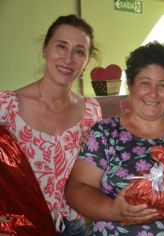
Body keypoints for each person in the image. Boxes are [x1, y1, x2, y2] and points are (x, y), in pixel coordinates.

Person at [64, 41, 164, 236]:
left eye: (162, 85)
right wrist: (112, 210)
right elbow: (76, 189)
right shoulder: (105, 133)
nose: (153, 93)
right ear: (130, 85)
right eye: (145, 83)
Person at [0, 14, 102, 235]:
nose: (68, 58)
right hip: (22, 227)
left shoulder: (91, 111)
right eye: (61, 46)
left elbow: (94, 175)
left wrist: (96, 152)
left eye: (79, 51)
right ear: (45, 49)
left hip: (75, 227)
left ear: (85, 62)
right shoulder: (7, 106)